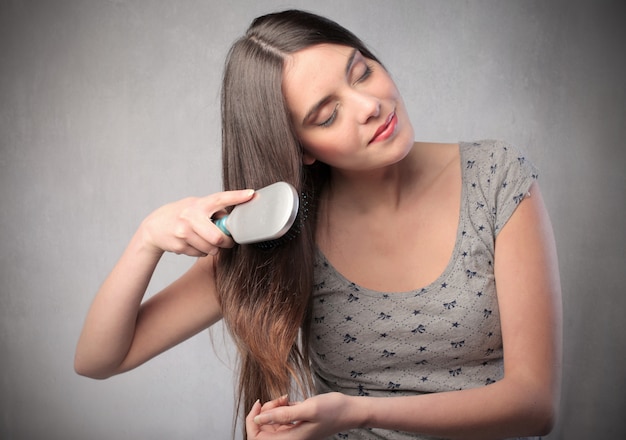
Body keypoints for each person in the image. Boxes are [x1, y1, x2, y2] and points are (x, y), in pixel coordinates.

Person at [74, 9, 562, 440]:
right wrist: (147, 240)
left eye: (362, 72)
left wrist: (354, 412)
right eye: (328, 115)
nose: (369, 105)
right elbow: (99, 360)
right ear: (302, 148)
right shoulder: (289, 233)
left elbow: (534, 405)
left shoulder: (495, 178)